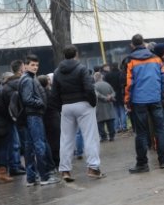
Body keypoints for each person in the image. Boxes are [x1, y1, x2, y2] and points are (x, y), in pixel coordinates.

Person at [52, 45, 104, 182]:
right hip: (83, 105)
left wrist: (60, 107)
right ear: (76, 54)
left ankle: (65, 170)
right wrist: (92, 102)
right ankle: (93, 168)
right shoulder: (81, 69)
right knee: (90, 137)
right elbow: (88, 88)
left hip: (66, 106)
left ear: (64, 55)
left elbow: (54, 93)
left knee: (66, 139)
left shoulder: (57, 72)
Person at [125, 35, 164, 172]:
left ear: (132, 45)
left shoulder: (130, 60)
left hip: (139, 101)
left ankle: (142, 164)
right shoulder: (156, 58)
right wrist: (160, 94)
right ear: (143, 43)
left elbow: (128, 84)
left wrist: (127, 100)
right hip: (155, 98)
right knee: (160, 130)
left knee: (142, 133)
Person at [18, 54, 58, 186]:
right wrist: (40, 102)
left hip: (30, 116)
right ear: (25, 65)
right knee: (39, 145)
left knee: (29, 147)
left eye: (36, 65)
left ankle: (31, 178)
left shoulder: (27, 78)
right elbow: (27, 99)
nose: (35, 67)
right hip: (33, 116)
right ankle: (44, 177)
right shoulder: (28, 80)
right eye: (32, 65)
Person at [1, 61, 27, 177]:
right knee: (16, 143)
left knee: (15, 143)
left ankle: (16, 164)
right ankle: (15, 166)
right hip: (19, 117)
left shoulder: (6, 86)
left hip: (11, 117)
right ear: (21, 69)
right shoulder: (21, 83)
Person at [39, 74, 62, 168]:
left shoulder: (39, 94)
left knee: (49, 140)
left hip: (44, 119)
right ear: (47, 82)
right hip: (54, 117)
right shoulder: (51, 93)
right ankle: (57, 161)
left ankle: (51, 161)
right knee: (56, 140)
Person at [94, 72, 116, 143]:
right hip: (109, 105)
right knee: (110, 121)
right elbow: (113, 92)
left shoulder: (94, 86)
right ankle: (112, 136)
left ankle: (103, 137)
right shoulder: (107, 84)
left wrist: (105, 98)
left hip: (100, 106)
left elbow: (97, 94)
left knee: (100, 123)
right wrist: (110, 97)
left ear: (95, 78)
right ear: (101, 77)